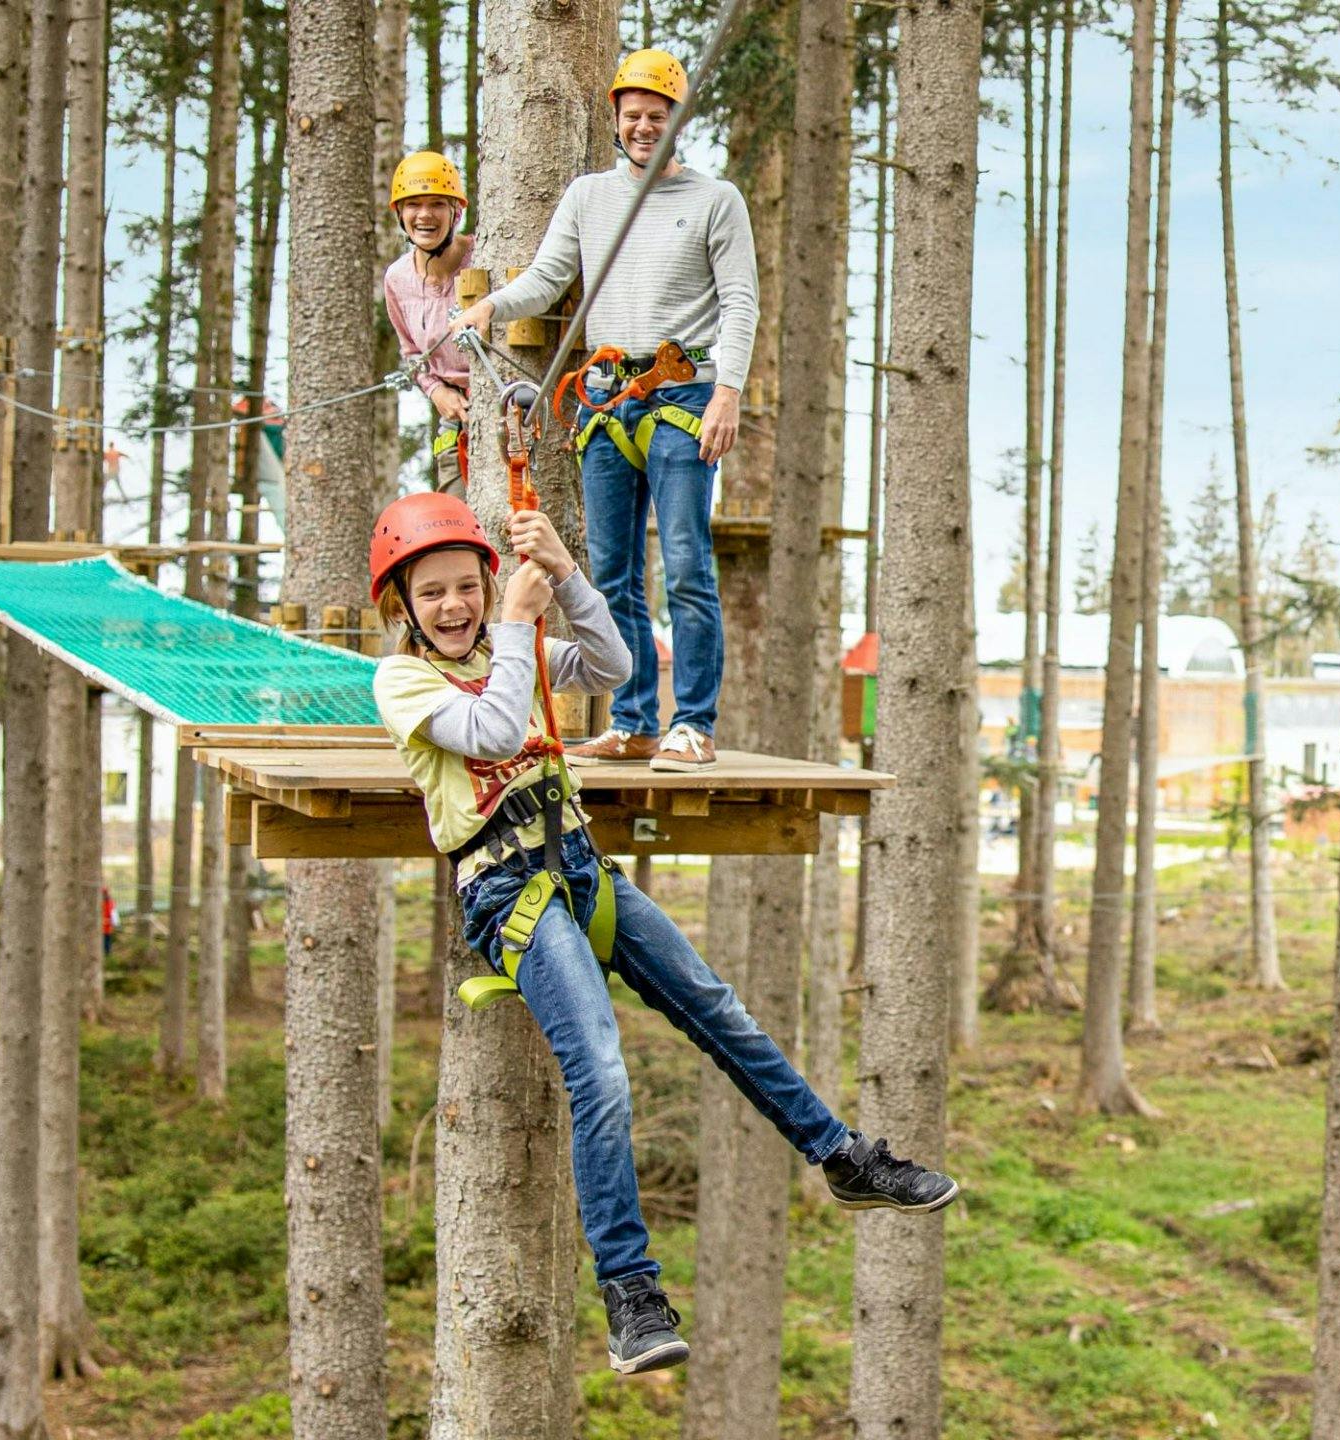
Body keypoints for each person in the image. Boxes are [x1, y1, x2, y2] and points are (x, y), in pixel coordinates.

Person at [367, 492, 958, 1377]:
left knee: (719, 1010)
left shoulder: (510, 646)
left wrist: (564, 575)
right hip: (507, 893)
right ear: (402, 610)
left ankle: (841, 1156)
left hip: (580, 873)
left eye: (467, 588)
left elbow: (611, 661)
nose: (455, 607)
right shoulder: (404, 681)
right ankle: (630, 1294)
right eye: (434, 595)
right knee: (599, 1064)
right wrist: (522, 631)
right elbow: (491, 728)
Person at [450, 49, 757, 774]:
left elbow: (740, 300)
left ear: (678, 122)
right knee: (612, 570)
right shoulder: (590, 198)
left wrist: (729, 391)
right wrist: (492, 305)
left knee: (685, 561)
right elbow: (551, 276)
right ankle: (633, 721)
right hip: (604, 398)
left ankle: (695, 724)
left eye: (657, 117)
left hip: (682, 393)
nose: (645, 127)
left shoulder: (717, 200)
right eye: (633, 117)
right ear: (617, 124)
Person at [384, 150, 477, 492]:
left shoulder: (483, 256)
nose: (425, 215)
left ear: (456, 211)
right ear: (400, 213)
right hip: (454, 418)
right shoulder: (397, 278)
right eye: (413, 205)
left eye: (437, 203)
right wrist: (437, 391)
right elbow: (412, 353)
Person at [101, 886, 117, 957]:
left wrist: (110, 921)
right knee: (104, 942)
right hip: (101, 927)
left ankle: (107, 956)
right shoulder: (101, 902)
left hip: (107, 927)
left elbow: (113, 915)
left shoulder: (110, 903)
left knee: (107, 943)